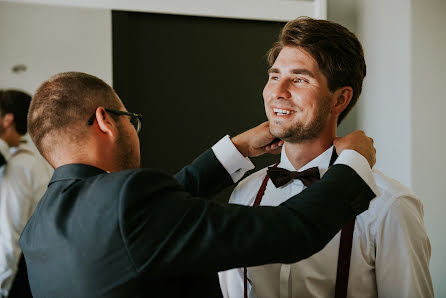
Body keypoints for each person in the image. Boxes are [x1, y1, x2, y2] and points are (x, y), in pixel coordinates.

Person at [19, 71, 377, 298]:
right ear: (105, 121)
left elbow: (153, 221)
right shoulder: (126, 203)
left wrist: (235, 150)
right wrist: (354, 162)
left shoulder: (38, 229)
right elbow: (292, 231)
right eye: (132, 120)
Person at [218, 17, 433, 298]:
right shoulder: (244, 194)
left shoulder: (390, 206)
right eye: (274, 77)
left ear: (340, 100)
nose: (278, 93)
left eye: (299, 79)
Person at [0, 90, 52, 298]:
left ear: (7, 120)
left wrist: (1, 288)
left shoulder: (19, 167)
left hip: (17, 278)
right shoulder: (30, 160)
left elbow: (8, 234)